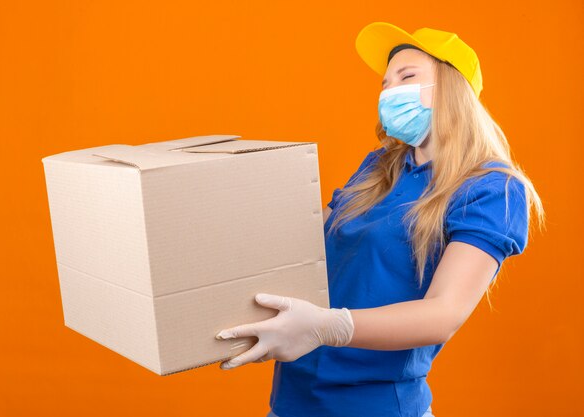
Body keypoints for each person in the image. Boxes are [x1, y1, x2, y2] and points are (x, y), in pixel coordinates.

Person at [214, 22, 545, 417]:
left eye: (407, 77)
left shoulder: (492, 189)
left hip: (376, 407)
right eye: (385, 83)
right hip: (291, 401)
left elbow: (444, 314)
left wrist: (326, 326)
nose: (389, 91)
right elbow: (307, 244)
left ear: (455, 90)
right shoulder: (379, 167)